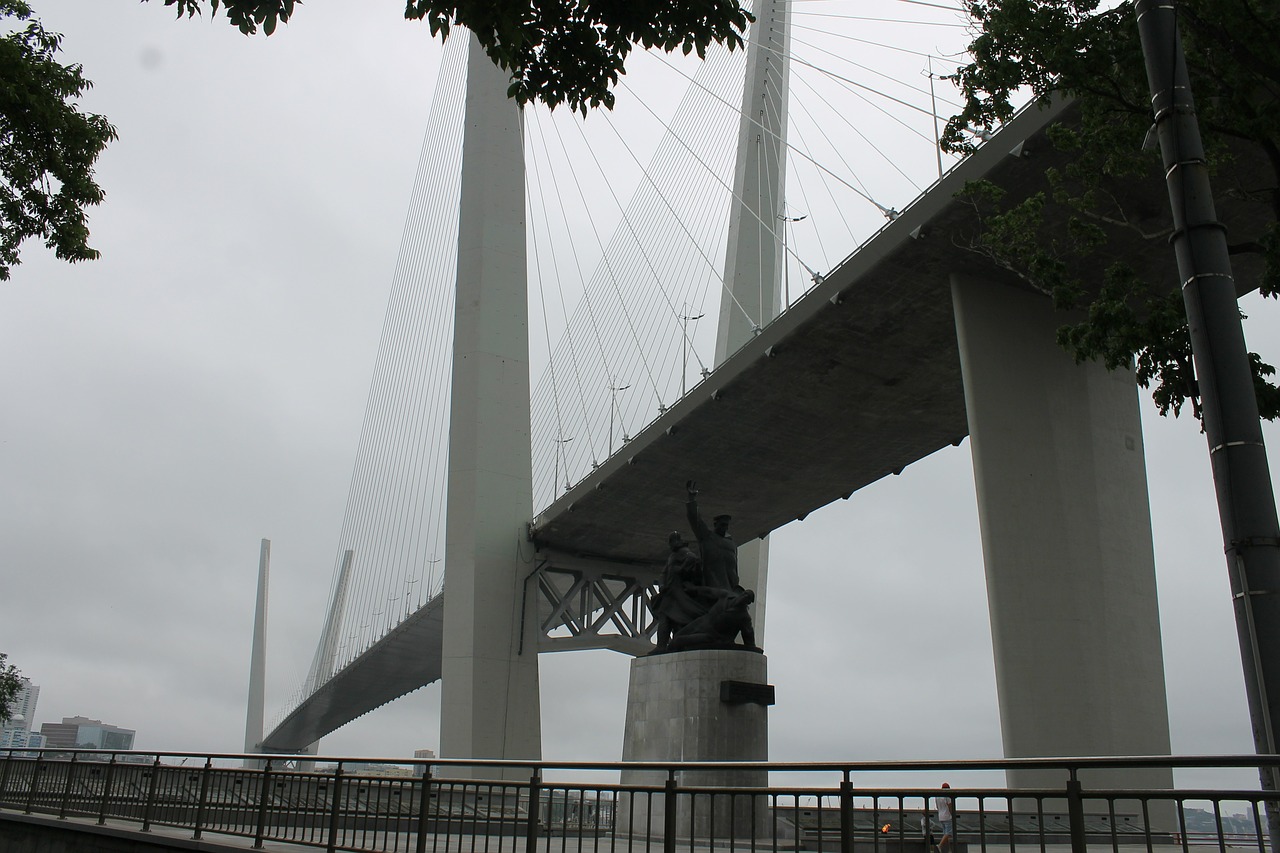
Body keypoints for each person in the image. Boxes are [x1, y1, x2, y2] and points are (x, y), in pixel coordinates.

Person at [651, 531, 706, 652]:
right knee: (666, 619)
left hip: (679, 596)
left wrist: (681, 569)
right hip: (670, 595)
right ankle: (662, 645)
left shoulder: (684, 552)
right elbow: (663, 573)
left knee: (673, 620)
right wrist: (662, 585)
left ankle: (664, 645)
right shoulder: (672, 556)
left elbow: (693, 560)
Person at [684, 480, 739, 591]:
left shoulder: (731, 544)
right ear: (715, 524)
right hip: (712, 587)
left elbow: (734, 568)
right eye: (722, 524)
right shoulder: (707, 537)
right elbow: (695, 520)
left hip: (730, 590)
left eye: (727, 525)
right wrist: (692, 498)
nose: (725, 527)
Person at [934, 782, 954, 853]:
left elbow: (937, 806)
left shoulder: (937, 796)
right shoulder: (947, 795)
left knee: (945, 834)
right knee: (948, 833)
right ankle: (939, 846)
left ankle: (948, 849)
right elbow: (950, 805)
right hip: (947, 816)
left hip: (940, 816)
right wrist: (952, 814)